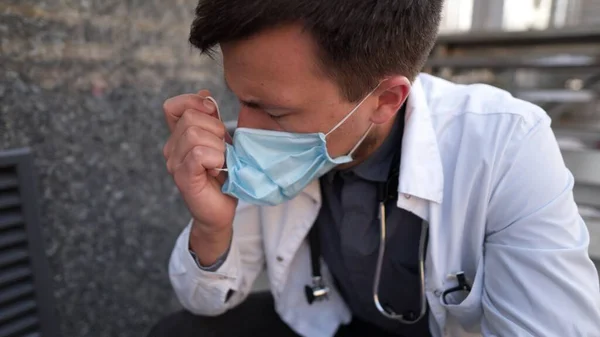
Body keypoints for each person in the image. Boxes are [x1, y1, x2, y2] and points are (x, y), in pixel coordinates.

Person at [149, 0, 600, 336]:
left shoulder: (505, 144)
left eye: (275, 112)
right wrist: (212, 227)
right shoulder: (267, 143)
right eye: (239, 98)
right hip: (331, 323)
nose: (244, 130)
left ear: (386, 100)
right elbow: (205, 301)